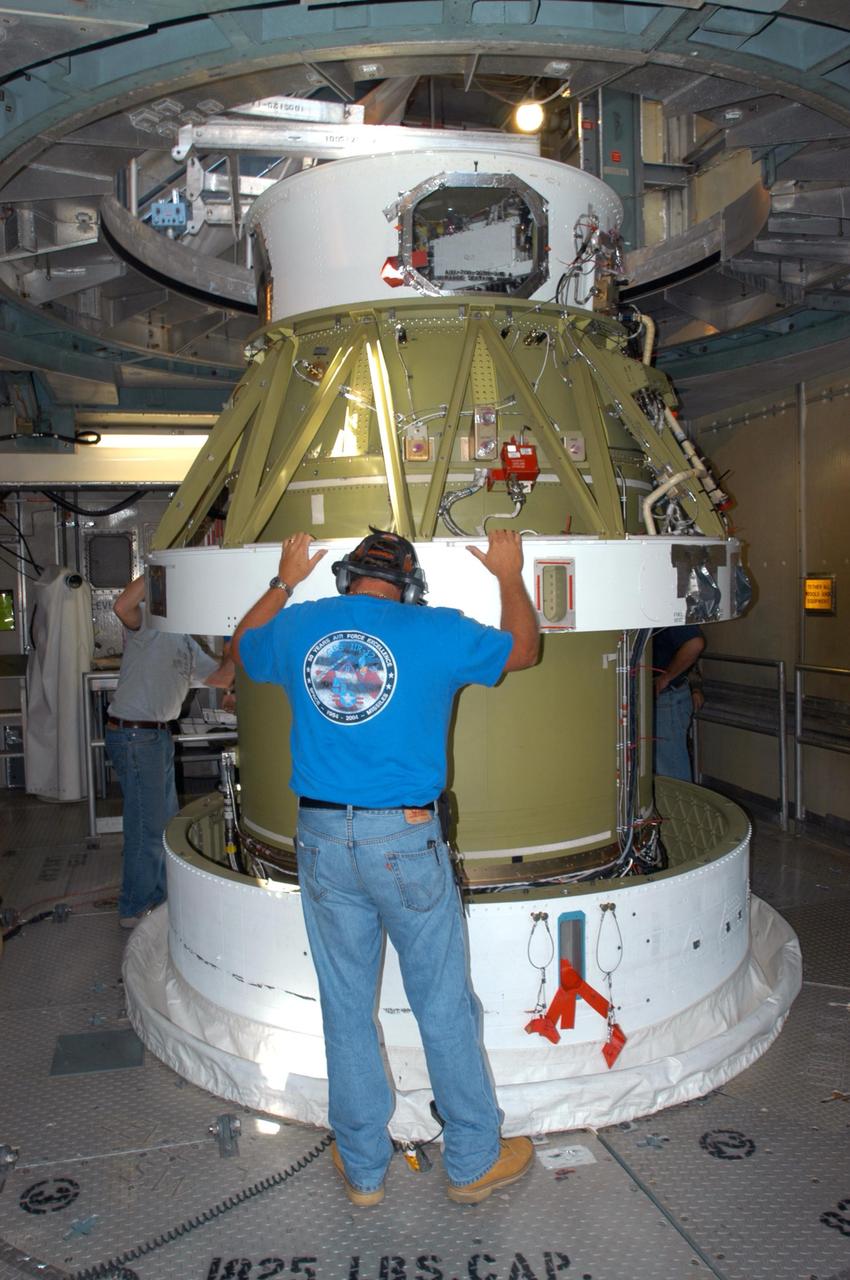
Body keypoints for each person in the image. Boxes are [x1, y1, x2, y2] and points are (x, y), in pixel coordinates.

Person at [232, 527, 539, 1208]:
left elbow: (240, 649)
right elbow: (524, 648)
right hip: (404, 839)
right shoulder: (434, 631)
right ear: (406, 583)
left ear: (346, 578)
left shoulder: (298, 626)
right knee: (443, 1004)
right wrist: (509, 574)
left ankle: (365, 1170)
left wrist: (284, 579)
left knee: (344, 1006)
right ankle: (471, 1162)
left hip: (318, 836)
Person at [106, 574, 235, 928]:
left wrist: (239, 642)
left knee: (163, 824)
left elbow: (221, 678)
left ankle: (161, 899)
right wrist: (165, 568)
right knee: (147, 826)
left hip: (156, 736)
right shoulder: (149, 624)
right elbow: (121, 606)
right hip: (134, 736)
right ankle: (134, 907)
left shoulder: (187, 643)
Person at [652, 624, 706, 781]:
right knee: (665, 768)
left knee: (671, 773)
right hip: (662, 697)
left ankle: (678, 806)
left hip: (666, 698)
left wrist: (665, 678)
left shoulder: (661, 609)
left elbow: (694, 644)